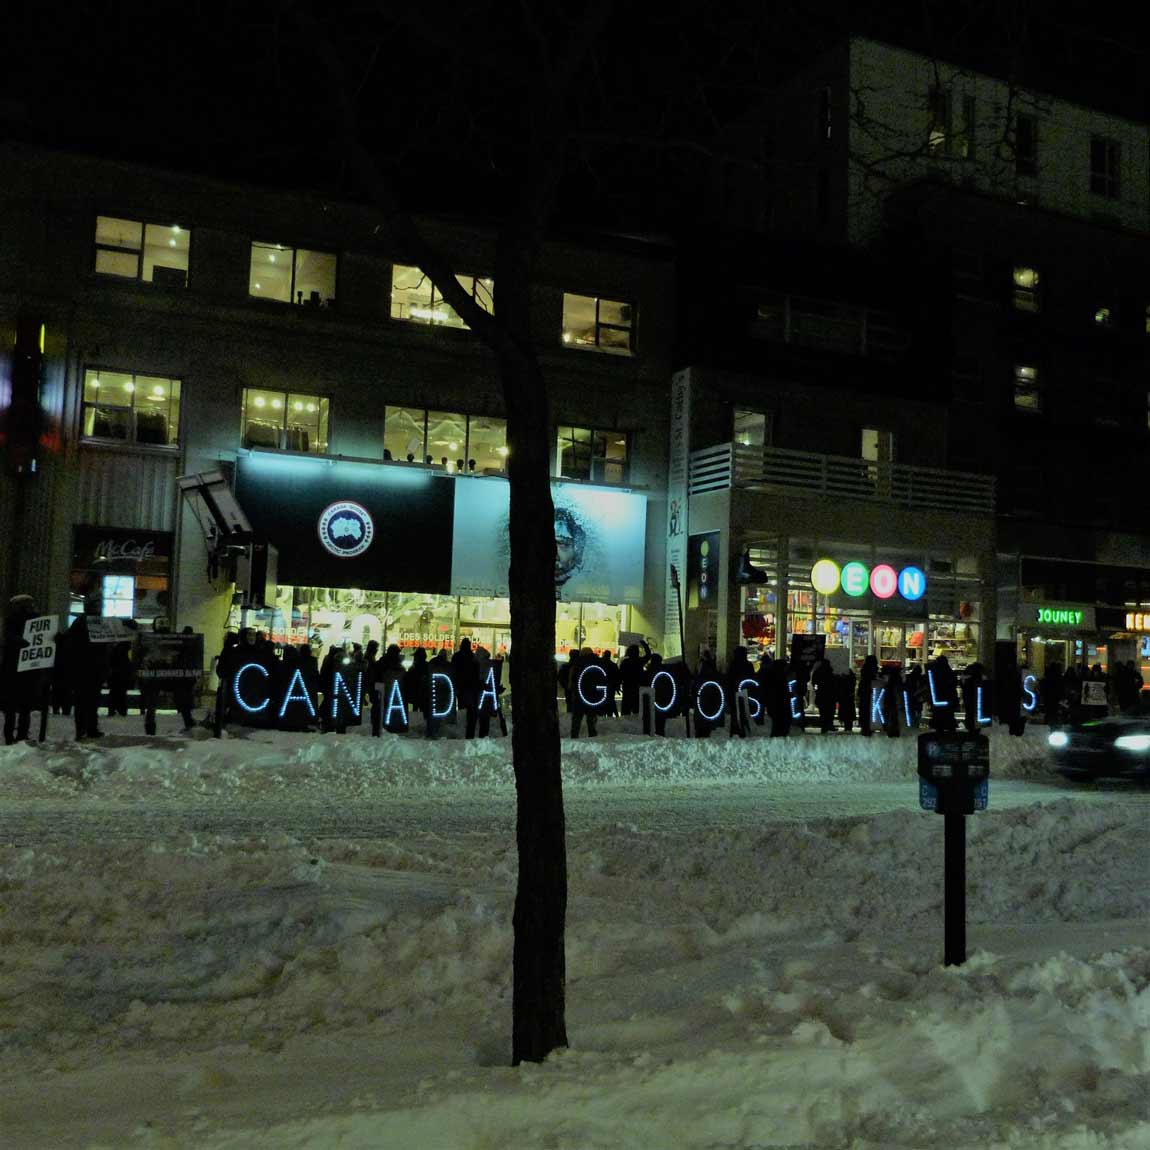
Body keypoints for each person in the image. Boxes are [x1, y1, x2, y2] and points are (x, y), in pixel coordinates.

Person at [2, 595, 41, 744]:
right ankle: (16, 735)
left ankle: (16, 735)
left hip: (20, 668)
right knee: (18, 705)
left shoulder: (30, 620)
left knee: (19, 705)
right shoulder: (14, 620)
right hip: (18, 668)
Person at [68, 610, 109, 740]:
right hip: (88, 668)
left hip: (86, 668)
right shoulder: (91, 622)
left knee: (87, 701)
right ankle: (87, 729)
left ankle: (86, 729)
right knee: (88, 701)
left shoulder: (82, 622)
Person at [566, 648, 599, 738]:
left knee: (577, 718)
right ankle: (592, 736)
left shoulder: (577, 663)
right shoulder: (597, 662)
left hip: (579, 695)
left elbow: (571, 680)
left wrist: (571, 689)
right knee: (591, 718)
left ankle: (574, 737)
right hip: (592, 696)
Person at [451, 637, 481, 738]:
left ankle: (462, 732)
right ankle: (469, 732)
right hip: (471, 688)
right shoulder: (473, 657)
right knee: (471, 711)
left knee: (462, 708)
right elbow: (477, 673)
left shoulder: (457, 656)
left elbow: (453, 672)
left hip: (461, 687)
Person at [727, 645, 755, 736]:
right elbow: (752, 678)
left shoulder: (733, 665)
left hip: (735, 692)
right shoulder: (748, 665)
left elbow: (729, 680)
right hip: (745, 692)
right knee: (744, 711)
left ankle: (735, 729)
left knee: (735, 713)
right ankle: (744, 729)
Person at [927, 653, 959, 733]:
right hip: (948, 700)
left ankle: (940, 733)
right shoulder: (950, 673)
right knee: (949, 718)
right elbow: (953, 685)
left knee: (938, 720)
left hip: (937, 700)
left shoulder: (934, 673)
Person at [693, 649, 720, 738]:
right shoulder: (713, 670)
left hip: (701, 700)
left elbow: (695, 683)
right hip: (708, 704)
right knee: (706, 728)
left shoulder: (701, 668)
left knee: (700, 727)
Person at [619, 641, 648, 716]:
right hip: (637, 686)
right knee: (636, 708)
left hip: (627, 686)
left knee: (626, 708)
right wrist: (645, 645)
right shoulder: (640, 661)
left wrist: (619, 684)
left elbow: (620, 674)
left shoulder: (625, 662)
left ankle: (625, 723)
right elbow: (648, 655)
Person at [811, 656, 836, 734]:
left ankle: (824, 726)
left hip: (821, 694)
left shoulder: (818, 672)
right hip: (830, 695)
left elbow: (814, 683)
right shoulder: (830, 672)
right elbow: (834, 684)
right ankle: (829, 724)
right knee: (830, 711)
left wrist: (817, 689)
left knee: (823, 711)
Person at [857, 654, 878, 736]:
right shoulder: (872, 670)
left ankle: (865, 727)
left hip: (864, 693)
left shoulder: (864, 670)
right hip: (870, 693)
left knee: (864, 710)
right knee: (869, 710)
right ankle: (868, 727)